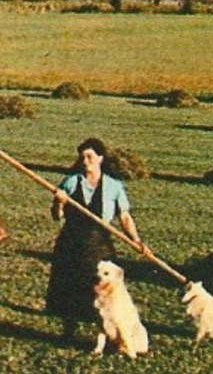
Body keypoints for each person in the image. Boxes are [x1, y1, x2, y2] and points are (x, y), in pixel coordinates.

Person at [46, 136, 150, 344]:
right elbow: (57, 216)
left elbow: (124, 217)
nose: (85, 161)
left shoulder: (114, 186)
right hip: (71, 243)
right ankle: (69, 331)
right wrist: (59, 202)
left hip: (99, 245)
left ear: (100, 158)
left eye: (90, 156)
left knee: (105, 291)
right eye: (82, 157)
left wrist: (137, 240)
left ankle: (108, 335)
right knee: (70, 287)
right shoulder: (71, 182)